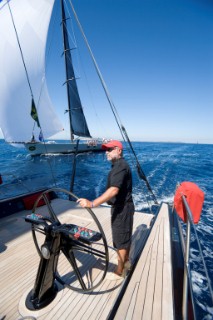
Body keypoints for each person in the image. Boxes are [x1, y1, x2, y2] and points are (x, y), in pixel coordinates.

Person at [77, 140, 134, 280]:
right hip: (121, 208)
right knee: (122, 238)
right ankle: (125, 262)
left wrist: (92, 203)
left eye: (110, 149)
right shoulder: (119, 165)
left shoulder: (120, 166)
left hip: (122, 209)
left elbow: (114, 190)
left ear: (119, 150)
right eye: (106, 150)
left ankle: (120, 272)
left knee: (121, 240)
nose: (106, 152)